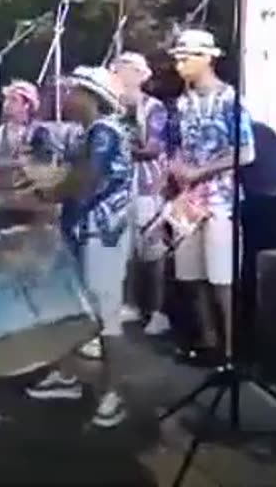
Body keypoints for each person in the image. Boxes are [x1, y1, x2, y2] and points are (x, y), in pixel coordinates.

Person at [23, 66, 132, 428]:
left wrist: (50, 192)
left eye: (73, 91)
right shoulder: (93, 133)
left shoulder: (105, 132)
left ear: (90, 96)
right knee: (75, 307)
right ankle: (67, 375)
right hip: (87, 233)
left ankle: (112, 393)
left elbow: (86, 180)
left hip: (103, 236)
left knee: (105, 315)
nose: (67, 96)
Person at [169, 29, 255, 364]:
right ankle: (208, 340)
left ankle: (232, 349)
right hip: (189, 200)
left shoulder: (230, 100)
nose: (179, 64)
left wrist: (200, 172)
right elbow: (176, 146)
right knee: (191, 274)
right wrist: (176, 168)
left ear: (207, 58)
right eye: (177, 57)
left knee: (222, 276)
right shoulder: (181, 103)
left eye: (185, 57)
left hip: (221, 199)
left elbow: (246, 152)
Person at [110, 52, 172, 337]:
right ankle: (131, 303)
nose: (117, 75)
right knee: (127, 248)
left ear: (136, 74)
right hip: (122, 187)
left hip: (149, 187)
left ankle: (158, 311)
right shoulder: (112, 108)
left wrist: (121, 148)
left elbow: (152, 148)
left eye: (121, 70)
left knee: (153, 250)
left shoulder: (154, 108)